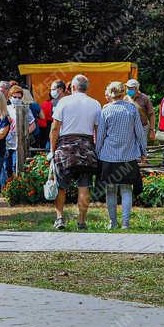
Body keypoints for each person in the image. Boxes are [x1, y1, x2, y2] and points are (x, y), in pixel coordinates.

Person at [50, 74, 101, 231]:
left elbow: (55, 128)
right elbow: (97, 131)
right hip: (87, 149)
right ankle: (81, 221)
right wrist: (96, 150)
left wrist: (52, 151)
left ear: (72, 87)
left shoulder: (63, 102)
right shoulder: (96, 104)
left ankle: (59, 218)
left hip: (65, 149)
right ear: (87, 87)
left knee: (61, 186)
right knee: (84, 187)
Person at [97, 81, 147, 230]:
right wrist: (143, 151)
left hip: (108, 156)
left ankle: (112, 222)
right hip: (128, 156)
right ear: (123, 92)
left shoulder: (105, 111)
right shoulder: (131, 109)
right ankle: (125, 223)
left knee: (110, 190)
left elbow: (100, 135)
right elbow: (140, 133)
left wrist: (97, 152)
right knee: (126, 190)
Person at [3, 85, 35, 186]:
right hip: (6, 142)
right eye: (14, 97)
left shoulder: (26, 109)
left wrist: (24, 135)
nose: (17, 99)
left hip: (18, 143)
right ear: (10, 97)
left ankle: (17, 185)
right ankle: (9, 186)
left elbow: (33, 124)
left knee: (15, 165)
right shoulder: (6, 109)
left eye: (19, 97)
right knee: (7, 166)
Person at [38, 80, 66, 151]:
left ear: (60, 90)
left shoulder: (67, 102)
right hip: (52, 133)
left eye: (53, 89)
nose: (51, 92)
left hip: (63, 135)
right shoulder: (52, 102)